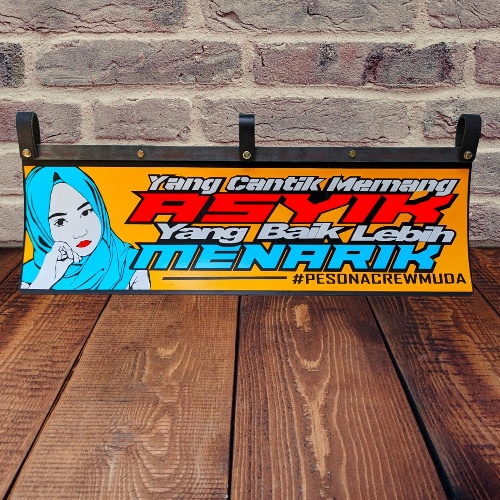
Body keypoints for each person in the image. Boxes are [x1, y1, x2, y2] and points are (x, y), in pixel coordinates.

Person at [21, 166, 150, 290]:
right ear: (40, 230)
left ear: (98, 208)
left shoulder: (132, 262)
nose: (80, 233)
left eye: (86, 212)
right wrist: (45, 280)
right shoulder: (31, 279)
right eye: (60, 222)